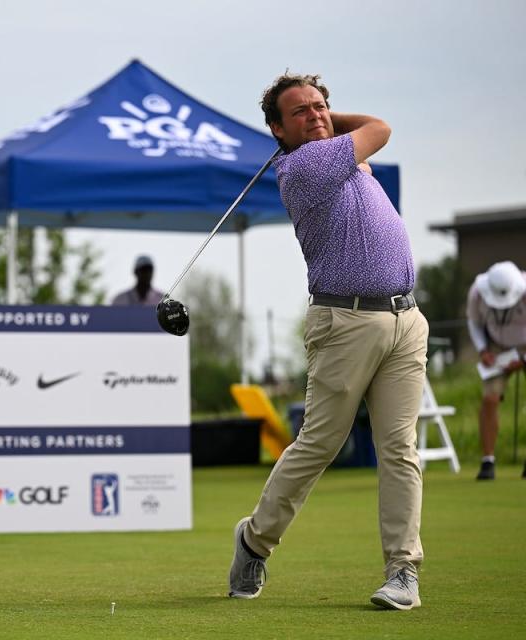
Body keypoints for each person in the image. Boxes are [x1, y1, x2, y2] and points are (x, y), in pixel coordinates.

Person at [227, 73, 429, 611]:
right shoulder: (305, 166)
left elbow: (362, 134)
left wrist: (313, 118)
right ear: (277, 131)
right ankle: (254, 540)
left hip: (405, 320)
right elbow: (379, 127)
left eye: (321, 107)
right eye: (300, 112)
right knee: (320, 444)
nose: (316, 115)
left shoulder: (339, 156)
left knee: (400, 449)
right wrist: (320, 127)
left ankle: (402, 570)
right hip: (345, 322)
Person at [466, 260, 526, 480]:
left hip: (524, 345)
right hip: (496, 348)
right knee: (490, 399)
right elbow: (474, 322)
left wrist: (523, 359)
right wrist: (482, 350)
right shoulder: (477, 292)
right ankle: (488, 461)